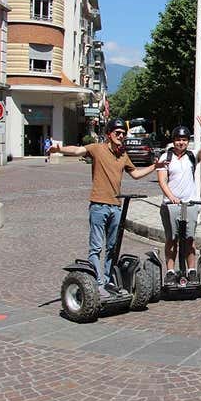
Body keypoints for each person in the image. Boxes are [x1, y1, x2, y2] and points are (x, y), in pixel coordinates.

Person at [48, 118, 163, 296]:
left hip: (116, 206)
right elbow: (78, 150)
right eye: (117, 133)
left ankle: (109, 281)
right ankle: (98, 283)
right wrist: (59, 149)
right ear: (109, 134)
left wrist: (155, 166)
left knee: (112, 247)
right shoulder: (97, 148)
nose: (120, 136)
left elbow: (135, 174)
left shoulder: (123, 155)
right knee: (96, 247)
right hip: (99, 205)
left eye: (123, 134)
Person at [156, 116, 201, 286]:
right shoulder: (164, 157)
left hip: (190, 204)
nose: (181, 142)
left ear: (187, 141)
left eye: (184, 139)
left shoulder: (192, 156)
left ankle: (191, 270)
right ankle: (170, 271)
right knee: (171, 239)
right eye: (178, 139)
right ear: (173, 141)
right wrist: (170, 196)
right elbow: (162, 180)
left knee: (189, 239)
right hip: (170, 204)